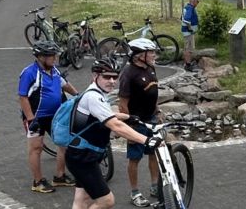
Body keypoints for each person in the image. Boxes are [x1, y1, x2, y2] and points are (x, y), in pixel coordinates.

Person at [66, 58, 163, 209]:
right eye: (106, 76)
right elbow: (115, 126)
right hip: (83, 158)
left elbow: (104, 115)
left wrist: (128, 116)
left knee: (81, 200)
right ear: (95, 76)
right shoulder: (93, 97)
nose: (111, 81)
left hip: (81, 154)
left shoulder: (97, 93)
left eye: (114, 77)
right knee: (106, 201)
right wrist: (146, 140)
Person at [18, 40, 78, 193]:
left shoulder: (54, 70)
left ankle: (59, 176)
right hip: (35, 118)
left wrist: (79, 96)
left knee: (63, 144)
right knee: (36, 149)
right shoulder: (29, 73)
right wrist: (31, 119)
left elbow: (65, 84)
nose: (55, 58)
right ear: (41, 57)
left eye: (55, 55)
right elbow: (23, 97)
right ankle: (37, 182)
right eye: (51, 55)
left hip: (55, 116)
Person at [117, 38, 161, 207]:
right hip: (136, 123)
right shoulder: (128, 74)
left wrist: (157, 111)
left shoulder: (150, 68)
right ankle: (135, 192)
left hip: (152, 119)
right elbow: (122, 104)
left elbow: (153, 91)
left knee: (154, 152)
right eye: (150, 52)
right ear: (139, 55)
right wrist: (128, 128)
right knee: (135, 158)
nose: (153, 55)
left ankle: (154, 186)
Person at [181, 0, 200, 72]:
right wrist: (190, 29)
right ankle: (188, 65)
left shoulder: (187, 7)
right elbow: (186, 20)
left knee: (187, 48)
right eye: (197, 1)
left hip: (187, 32)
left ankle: (187, 63)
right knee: (189, 49)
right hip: (188, 32)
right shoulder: (190, 9)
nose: (198, 3)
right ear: (194, 1)